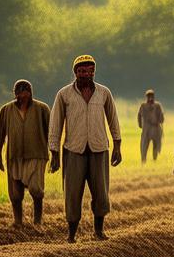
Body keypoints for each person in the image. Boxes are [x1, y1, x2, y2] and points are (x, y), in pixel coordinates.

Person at [48, 55, 122, 243]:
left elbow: (113, 119)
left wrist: (117, 145)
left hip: (99, 149)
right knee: (72, 193)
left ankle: (99, 231)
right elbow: (55, 124)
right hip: (74, 150)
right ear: (75, 72)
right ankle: (71, 234)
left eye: (89, 71)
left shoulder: (104, 93)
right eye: (81, 71)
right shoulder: (64, 94)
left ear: (93, 72)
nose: (85, 75)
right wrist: (54, 152)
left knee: (101, 192)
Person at [0, 79, 51, 227]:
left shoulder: (42, 109)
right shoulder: (6, 110)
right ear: (15, 94)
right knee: (15, 193)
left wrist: (55, 155)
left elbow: (51, 134)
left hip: (37, 155)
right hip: (14, 156)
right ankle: (18, 221)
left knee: (36, 189)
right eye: (19, 91)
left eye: (26, 91)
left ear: (31, 92)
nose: (23, 94)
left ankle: (37, 221)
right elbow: (1, 134)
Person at [137, 90, 165, 163]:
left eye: (151, 96)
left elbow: (161, 117)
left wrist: (160, 121)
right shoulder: (143, 106)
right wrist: (140, 124)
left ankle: (154, 159)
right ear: (146, 97)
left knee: (156, 145)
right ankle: (143, 160)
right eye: (149, 97)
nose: (150, 98)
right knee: (144, 145)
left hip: (155, 129)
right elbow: (139, 115)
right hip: (146, 129)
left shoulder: (157, 106)